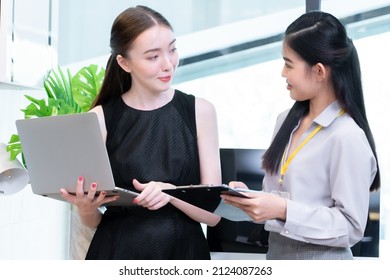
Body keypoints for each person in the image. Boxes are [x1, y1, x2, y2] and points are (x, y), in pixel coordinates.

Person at [60, 5, 221, 260]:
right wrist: (85, 207)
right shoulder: (100, 119)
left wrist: (170, 194)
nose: (168, 64)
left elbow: (212, 216)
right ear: (124, 63)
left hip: (184, 255)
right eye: (153, 57)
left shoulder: (200, 111)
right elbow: (93, 222)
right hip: (116, 253)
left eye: (172, 49)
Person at [222, 11, 380, 260]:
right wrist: (251, 198)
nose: (282, 73)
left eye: (288, 64)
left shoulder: (347, 136)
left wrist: (283, 210)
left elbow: (351, 227)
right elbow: (281, 194)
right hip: (277, 255)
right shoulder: (285, 120)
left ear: (319, 71)